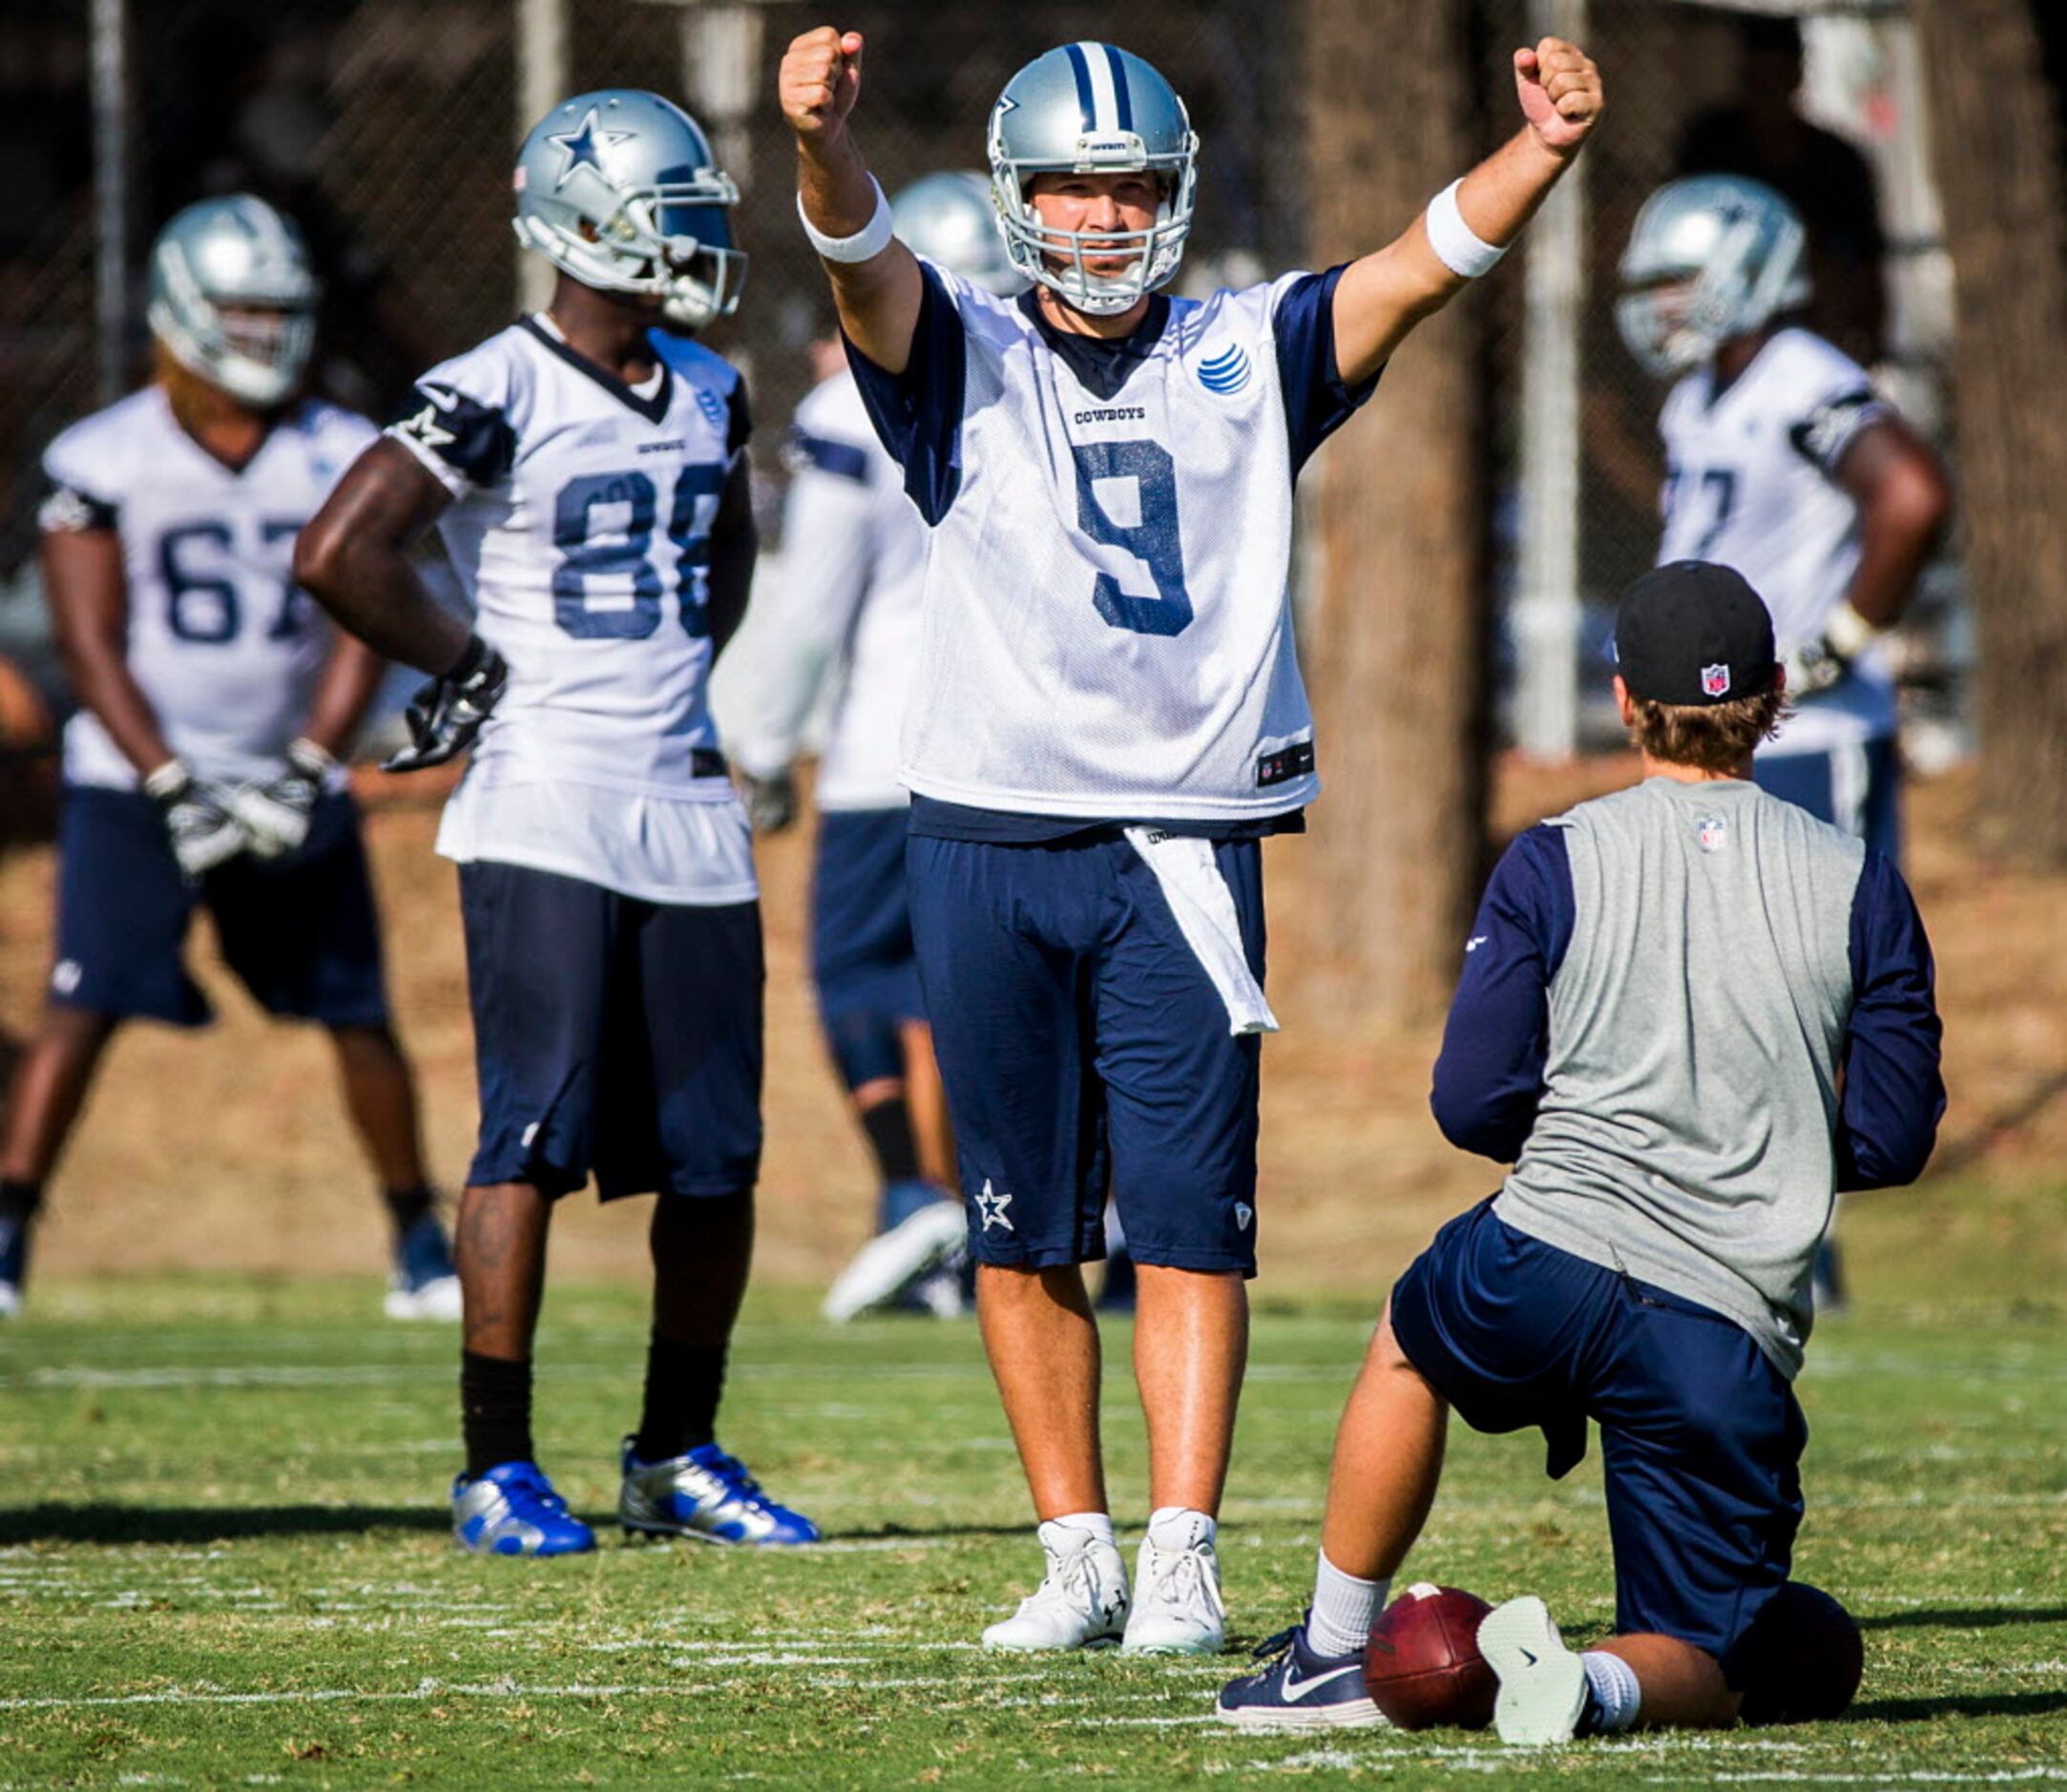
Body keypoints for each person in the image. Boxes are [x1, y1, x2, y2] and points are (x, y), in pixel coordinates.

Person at [779, 26, 1603, 1653]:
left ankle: (1178, 1545)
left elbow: (1418, 268)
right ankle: (1072, 1544)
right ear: (1021, 204)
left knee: (1185, 1215)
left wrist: (1544, 154)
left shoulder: (1251, 343)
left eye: (1132, 186)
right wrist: (817, 141)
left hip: (1181, 840)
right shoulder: (962, 353)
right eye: (1074, 190)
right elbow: (860, 261)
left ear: (1174, 194)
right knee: (1017, 1219)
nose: (1102, 218)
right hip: (989, 830)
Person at [1216, 561, 1944, 1740]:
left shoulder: (1554, 856)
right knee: (1718, 1657)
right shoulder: (1863, 881)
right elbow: (1893, 1134)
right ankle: (1590, 1688)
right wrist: (1759, 1152)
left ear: (1621, 699)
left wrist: (1582, 1149)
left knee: (1408, 1342)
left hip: (1543, 1254)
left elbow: (1470, 1099)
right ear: (1771, 697)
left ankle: (1331, 1652)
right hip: (1719, 1318)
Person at [294, 90, 816, 1556]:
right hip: (541, 797)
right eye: (670, 209)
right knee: (528, 1132)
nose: (699, 238)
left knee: (719, 1154)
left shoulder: (713, 388)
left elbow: (721, 568)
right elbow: (339, 548)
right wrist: (468, 665)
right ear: (581, 224)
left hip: (681, 796)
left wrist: (675, 703)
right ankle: (494, 1463)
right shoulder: (491, 384)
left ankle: (676, 1450)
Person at [0, 195, 455, 1324]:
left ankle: (418, 1241)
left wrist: (310, 765)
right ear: (184, 312)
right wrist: (167, 781)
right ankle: (7, 1234)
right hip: (136, 780)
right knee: (84, 1003)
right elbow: (87, 642)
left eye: (279, 312)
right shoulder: (102, 455)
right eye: (242, 311)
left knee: (356, 1014)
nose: (262, 334)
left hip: (286, 774)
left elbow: (360, 618)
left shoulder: (340, 450)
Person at [1618, 174, 1950, 1306]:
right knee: (1714, 988)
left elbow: (1910, 494)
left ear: (1747, 270)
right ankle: (1734, 1221)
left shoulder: (1803, 378)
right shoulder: (1700, 396)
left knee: (1814, 990)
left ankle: (1805, 1240)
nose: (1661, 304)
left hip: (1809, 740)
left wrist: (1837, 642)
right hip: (1720, 740)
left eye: (1679, 280)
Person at [726, 173, 1021, 1324]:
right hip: (1017, 744)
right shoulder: (1046, 381)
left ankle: (915, 1196)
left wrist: (758, 741)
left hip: (887, 746)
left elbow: (812, 604)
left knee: (856, 977)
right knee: (966, 996)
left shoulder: (853, 413)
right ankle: (989, 1216)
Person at [1675, 13, 1887, 366]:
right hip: (1725, 315)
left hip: (1815, 323)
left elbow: (1867, 263)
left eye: (1778, 74)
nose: (1768, 91)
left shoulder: (1836, 160)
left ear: (1797, 74)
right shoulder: (1710, 145)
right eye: (1759, 77)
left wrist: (1866, 345)